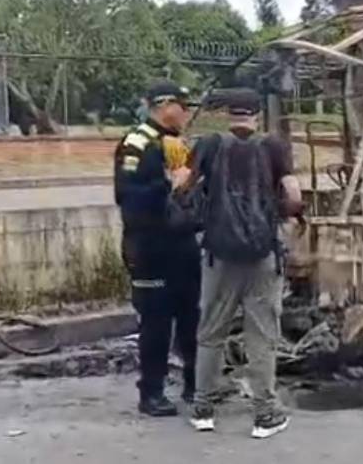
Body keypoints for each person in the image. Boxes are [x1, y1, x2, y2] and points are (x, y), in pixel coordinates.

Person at [188, 90, 303, 440]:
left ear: (229, 113)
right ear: (257, 114)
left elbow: (181, 184)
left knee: (210, 332)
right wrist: (279, 215)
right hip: (262, 256)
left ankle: (203, 409)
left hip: (218, 255)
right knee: (262, 337)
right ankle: (265, 415)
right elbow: (294, 195)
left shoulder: (208, 144)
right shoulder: (274, 146)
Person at [113, 82, 202, 417]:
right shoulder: (138, 144)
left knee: (193, 316)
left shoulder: (177, 143)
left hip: (182, 245)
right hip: (150, 247)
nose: (187, 112)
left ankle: (197, 385)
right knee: (156, 323)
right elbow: (128, 196)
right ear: (164, 106)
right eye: (183, 105)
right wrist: (169, 183)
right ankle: (151, 393)